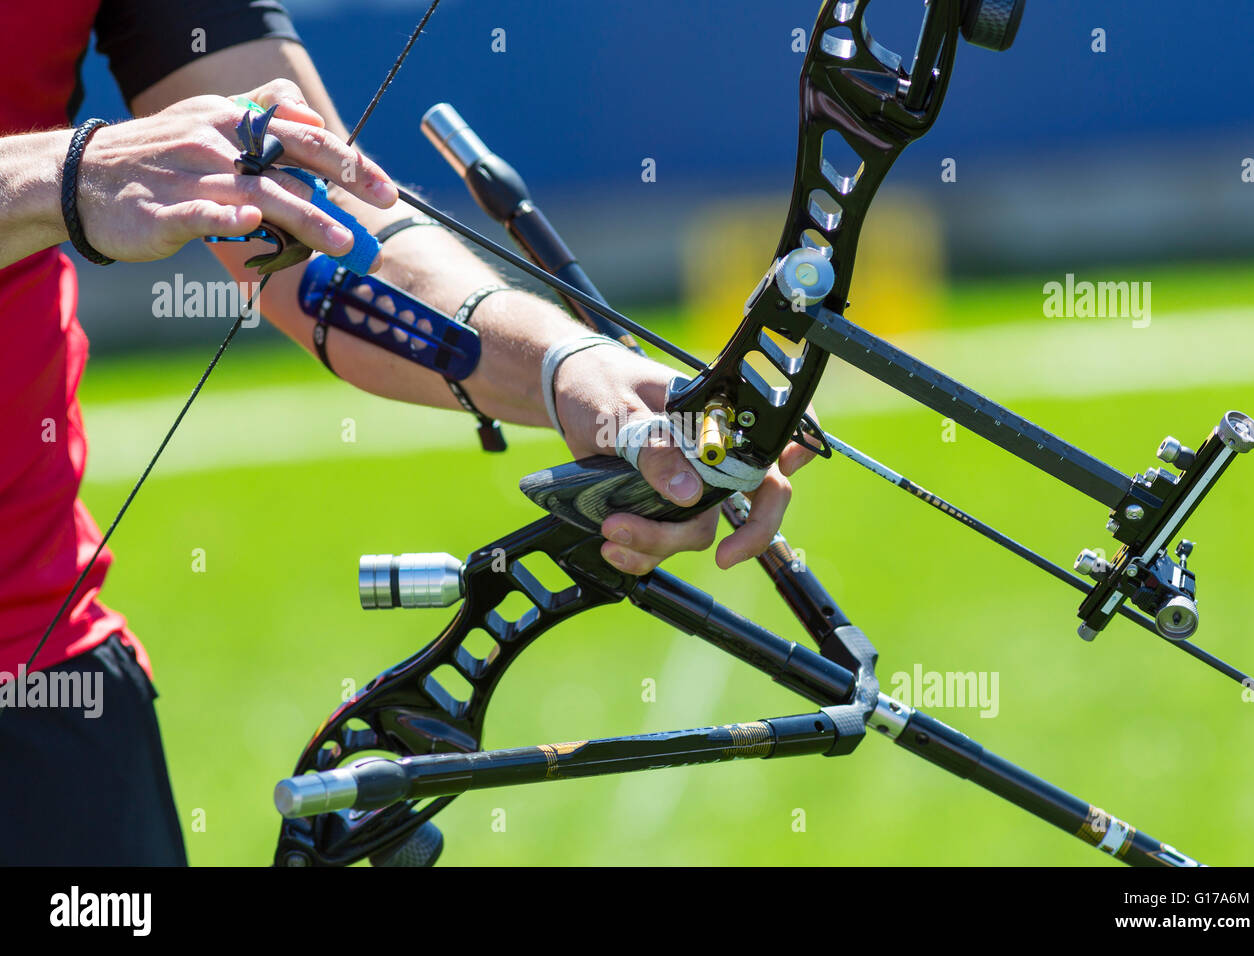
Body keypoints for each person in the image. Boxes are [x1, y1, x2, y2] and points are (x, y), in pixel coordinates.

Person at [0, 1, 815, 864]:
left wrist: (565, 368)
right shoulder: (71, 168)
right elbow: (98, 176)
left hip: (45, 665)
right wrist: (62, 173)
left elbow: (323, 245)